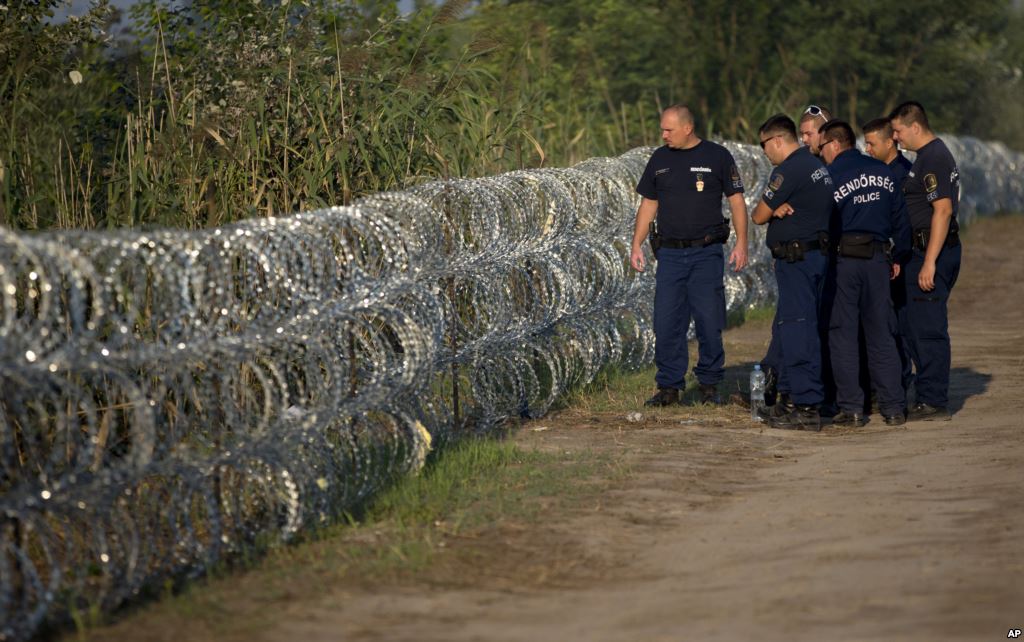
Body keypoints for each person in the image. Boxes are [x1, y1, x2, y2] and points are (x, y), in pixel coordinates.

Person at [630, 105, 749, 407]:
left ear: (687, 128)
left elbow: (736, 201)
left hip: (706, 253)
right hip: (670, 254)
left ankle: (709, 384)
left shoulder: (717, 156)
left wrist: (742, 243)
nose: (663, 134)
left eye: (668, 129)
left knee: (709, 320)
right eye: (662, 129)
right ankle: (669, 386)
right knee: (667, 322)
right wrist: (636, 244)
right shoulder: (659, 159)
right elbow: (648, 204)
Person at [817, 120, 911, 426]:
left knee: (842, 334)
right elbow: (902, 221)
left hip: (844, 261)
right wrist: (898, 256)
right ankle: (894, 408)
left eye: (822, 148)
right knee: (881, 333)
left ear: (833, 144)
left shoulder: (829, 176)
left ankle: (853, 409)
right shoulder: (883, 171)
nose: (821, 154)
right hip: (878, 259)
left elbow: (821, 223)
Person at [752, 114, 834, 430]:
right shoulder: (816, 167)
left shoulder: (788, 170)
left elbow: (759, 215)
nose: (764, 153)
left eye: (764, 145)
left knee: (798, 330)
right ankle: (790, 399)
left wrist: (773, 209)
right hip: (814, 257)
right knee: (795, 329)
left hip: (797, 261)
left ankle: (806, 406)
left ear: (777, 140)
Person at [888, 101, 962, 421]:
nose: (895, 137)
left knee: (928, 327)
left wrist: (930, 261)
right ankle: (924, 391)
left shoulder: (933, 157)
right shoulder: (924, 158)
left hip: (932, 252)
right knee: (912, 323)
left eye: (898, 130)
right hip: (919, 252)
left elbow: (942, 210)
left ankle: (933, 400)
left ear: (915, 127)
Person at [862, 117, 915, 400]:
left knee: (898, 327)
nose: (868, 149)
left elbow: (905, 222)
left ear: (889, 142)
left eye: (872, 143)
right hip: (879, 259)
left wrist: (898, 255)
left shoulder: (904, 174)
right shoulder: (874, 172)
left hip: (898, 260)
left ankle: (902, 383)